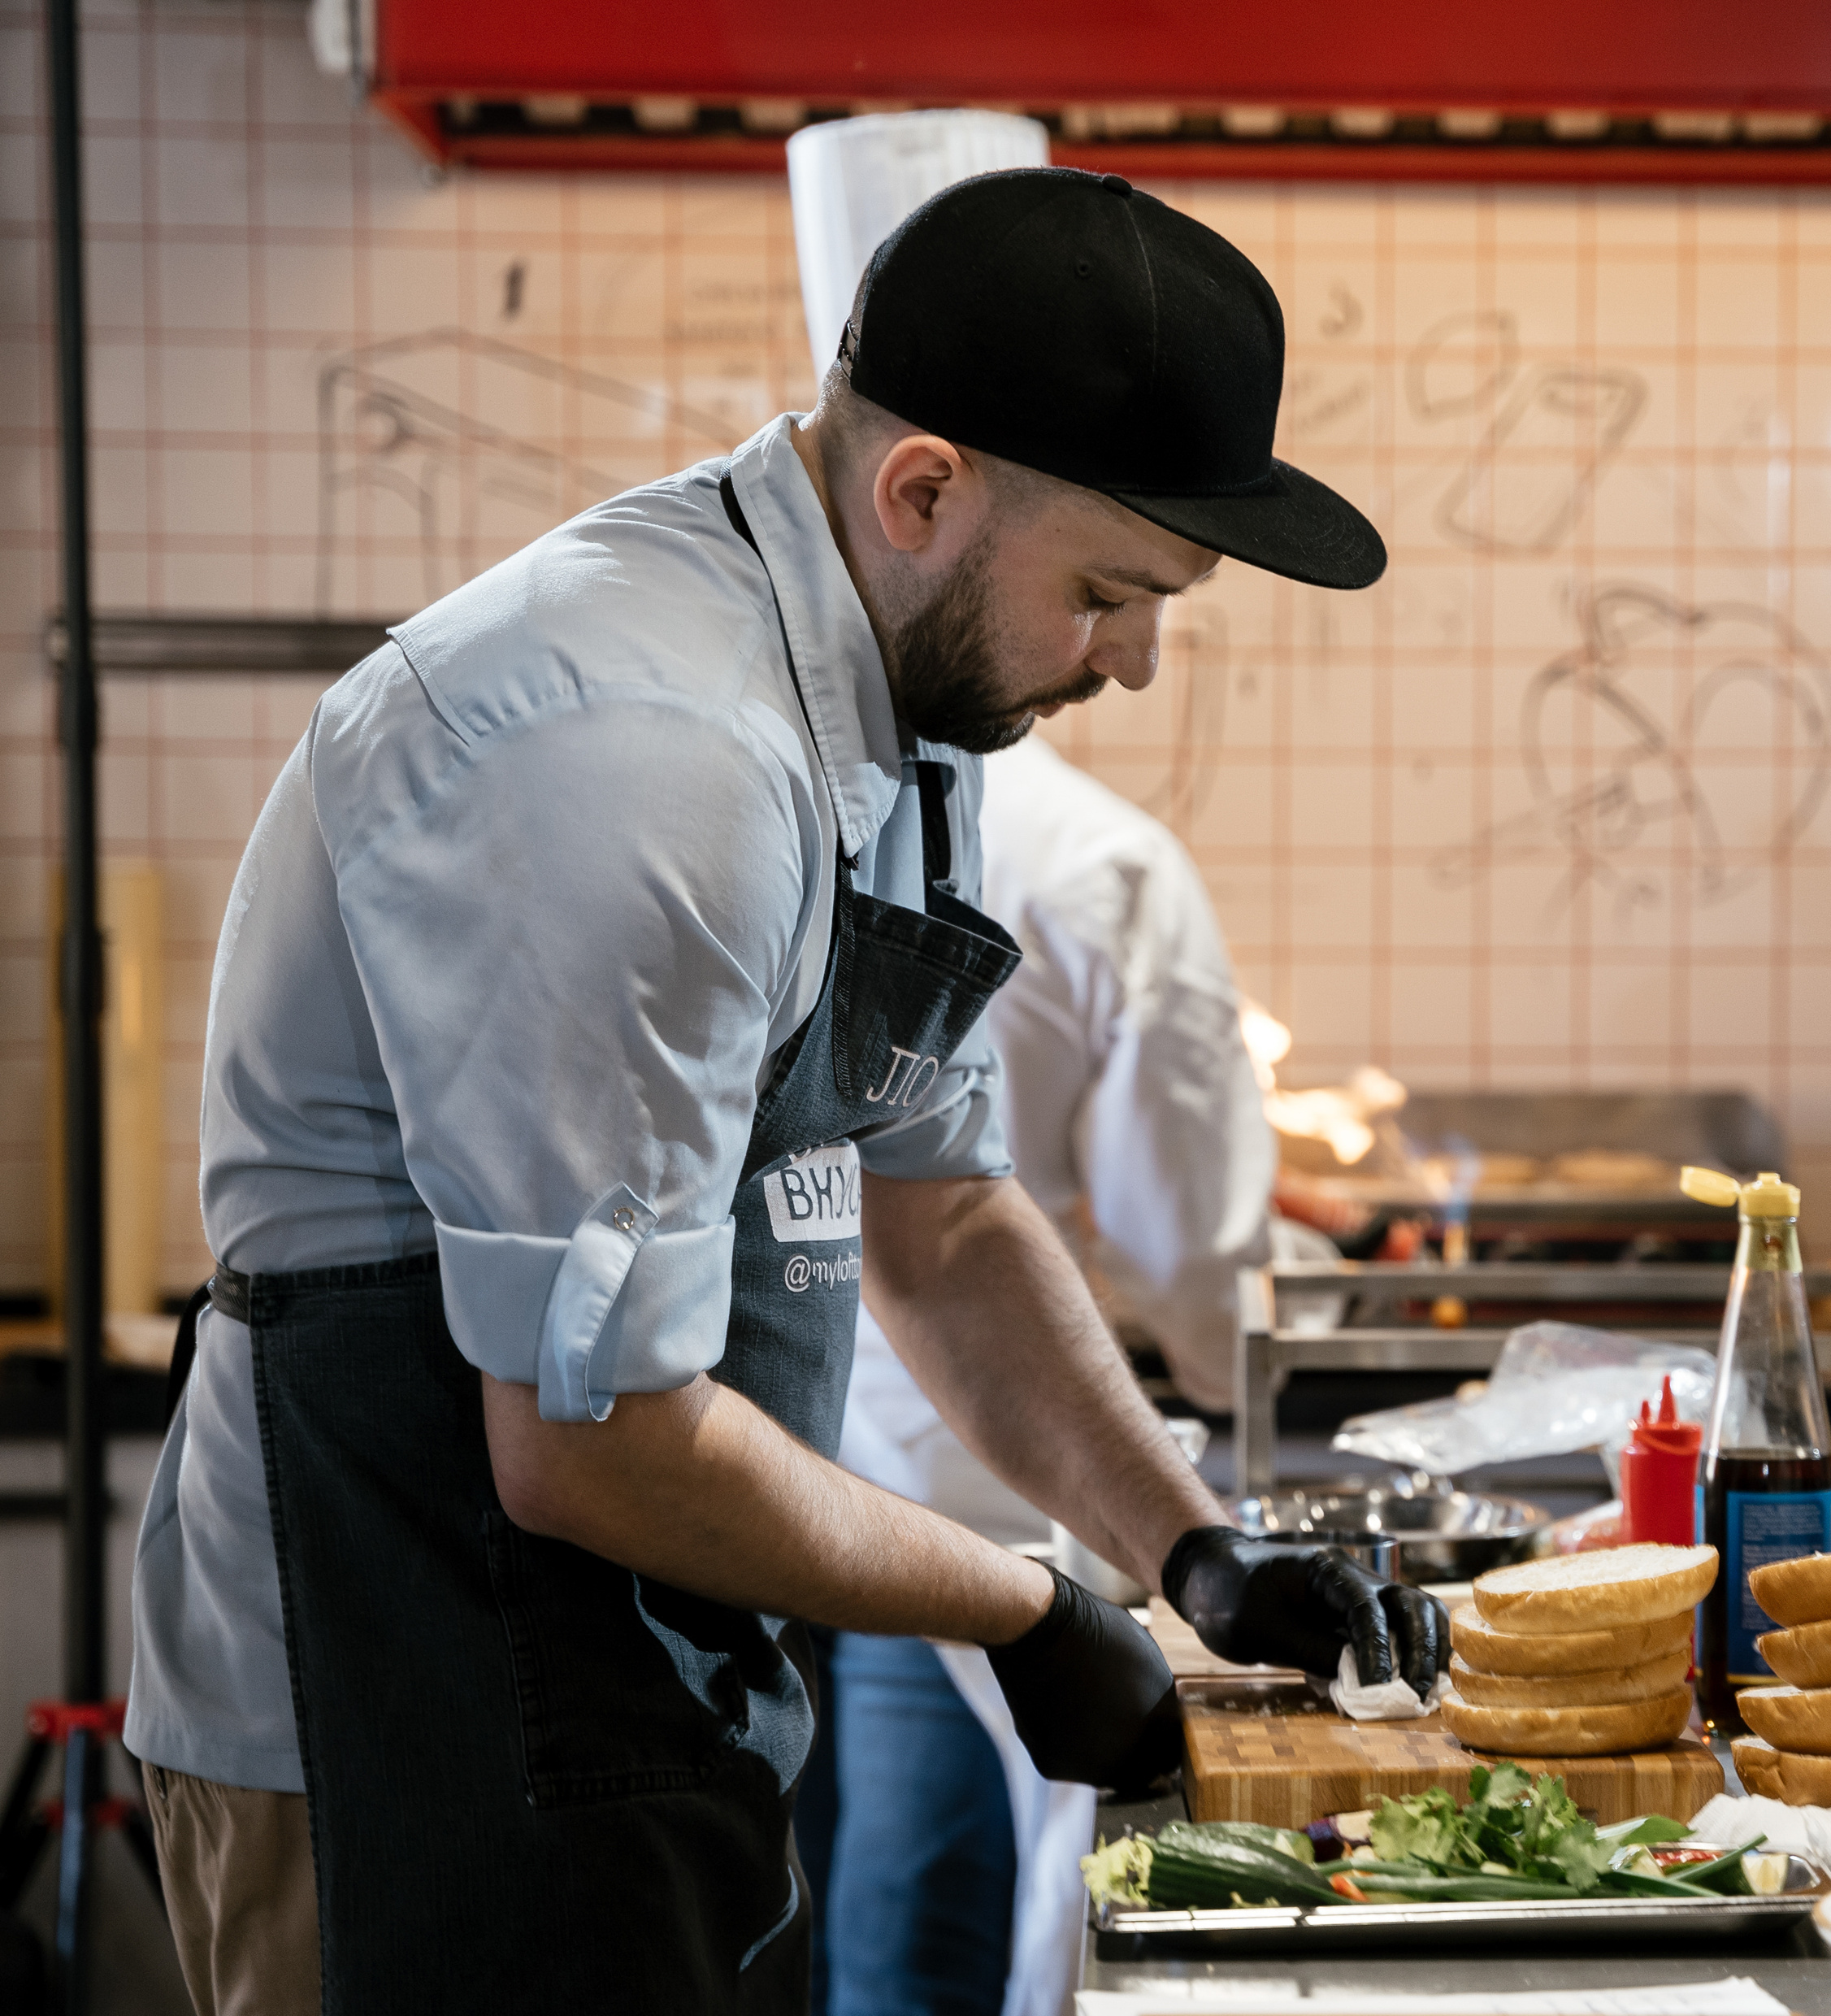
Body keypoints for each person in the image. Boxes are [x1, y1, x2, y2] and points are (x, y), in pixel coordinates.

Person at [124, 167, 1446, 2015]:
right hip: (398, 1705)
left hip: (632, 1674)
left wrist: (1190, 1547)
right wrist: (1025, 1607)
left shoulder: (897, 711)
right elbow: (590, 1437)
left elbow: (944, 1215)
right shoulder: (638, 751)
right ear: (923, 492)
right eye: (1108, 594)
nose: (1137, 663)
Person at [812, 732, 1282, 2016]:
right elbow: (1187, 1238)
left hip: (833, 1445)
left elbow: (929, 1206)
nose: (1135, 657)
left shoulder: (823, 809)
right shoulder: (1109, 864)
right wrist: (1224, 1380)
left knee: (900, 1905)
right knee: (1015, 1882)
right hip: (1024, 1485)